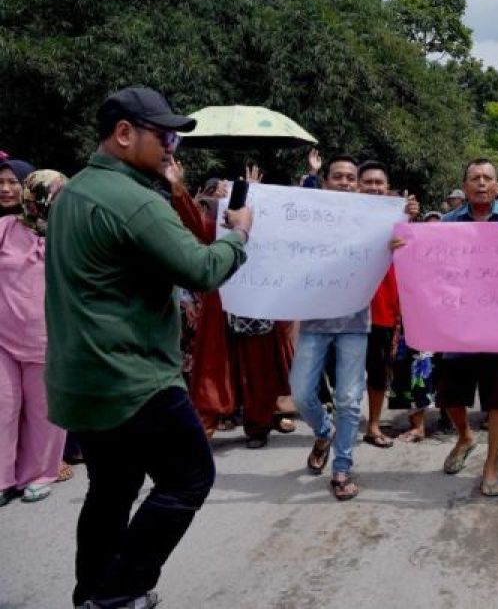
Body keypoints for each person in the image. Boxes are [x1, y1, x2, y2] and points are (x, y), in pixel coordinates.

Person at [44, 87, 252, 608]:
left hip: (83, 378)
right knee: (190, 478)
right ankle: (118, 594)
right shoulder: (134, 200)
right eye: (163, 135)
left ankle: (91, 591)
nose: (171, 147)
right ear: (123, 134)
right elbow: (201, 269)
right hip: (132, 378)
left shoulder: (74, 192)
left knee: (110, 492)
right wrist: (238, 236)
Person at [393, 158, 498, 497]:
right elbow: (422, 264)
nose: (481, 183)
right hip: (457, 327)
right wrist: (403, 245)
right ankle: (465, 436)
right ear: (464, 186)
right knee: (450, 396)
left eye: (488, 178)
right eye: (474, 178)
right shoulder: (445, 226)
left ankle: (491, 466)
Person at [167, 162, 296, 448]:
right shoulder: (218, 231)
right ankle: (203, 429)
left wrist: (258, 195)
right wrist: (178, 189)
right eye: (230, 199)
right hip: (222, 312)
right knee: (213, 372)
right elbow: (193, 220)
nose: (235, 205)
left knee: (259, 372)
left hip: (259, 310)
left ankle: (258, 426)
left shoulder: (273, 235)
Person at [289, 154, 371, 500]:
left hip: (354, 322)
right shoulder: (307, 220)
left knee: (349, 400)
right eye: (338, 176)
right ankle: (324, 430)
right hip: (314, 319)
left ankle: (342, 468)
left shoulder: (372, 219)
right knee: (301, 394)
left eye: (351, 177)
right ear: (326, 182)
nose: (345, 182)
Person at [0, 169, 68, 506]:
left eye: (53, 196)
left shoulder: (70, 235)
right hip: (2, 339)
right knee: (3, 407)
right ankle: (2, 479)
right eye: (40, 195)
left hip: (50, 341)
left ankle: (40, 475)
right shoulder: (4, 229)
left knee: (45, 412)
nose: (45, 202)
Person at [357, 160, 413, 450]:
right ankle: (340, 422)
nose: (374, 188)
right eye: (368, 182)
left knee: (378, 371)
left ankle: (373, 424)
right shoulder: (342, 217)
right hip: (346, 307)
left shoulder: (400, 219)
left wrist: (409, 221)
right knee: (345, 372)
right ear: (357, 185)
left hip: (383, 307)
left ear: (387, 187)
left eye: (379, 183)